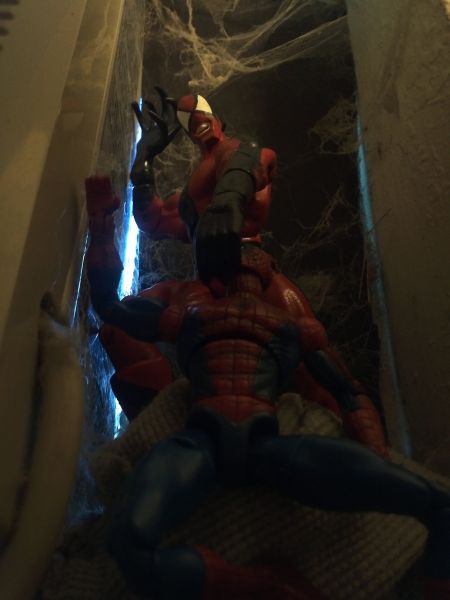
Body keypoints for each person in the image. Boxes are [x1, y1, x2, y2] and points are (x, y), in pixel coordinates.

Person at [86, 176, 450, 599]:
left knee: (437, 504)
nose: (247, 267)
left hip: (262, 444)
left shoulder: (288, 325)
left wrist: (374, 453)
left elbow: (346, 393)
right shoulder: (195, 314)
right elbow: (112, 309)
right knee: (127, 542)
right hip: (204, 440)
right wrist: (101, 230)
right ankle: (252, 584)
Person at [88, 90, 388, 457]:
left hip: (249, 269)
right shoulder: (194, 192)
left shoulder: (235, 153)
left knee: (322, 378)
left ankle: (363, 460)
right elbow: (154, 220)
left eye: (198, 109)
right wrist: (145, 160)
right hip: (203, 283)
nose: (194, 119)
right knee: (118, 329)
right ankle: (166, 430)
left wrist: (228, 200)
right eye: (185, 117)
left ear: (216, 117)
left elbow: (253, 160)